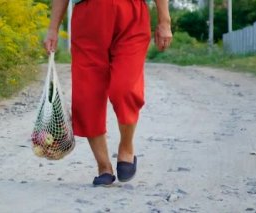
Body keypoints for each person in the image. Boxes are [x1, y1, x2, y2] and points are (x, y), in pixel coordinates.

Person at [44, 0, 172, 186]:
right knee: (87, 96)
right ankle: (104, 166)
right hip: (87, 17)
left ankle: (126, 147)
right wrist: (53, 28)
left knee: (125, 89)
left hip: (131, 15)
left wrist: (165, 21)